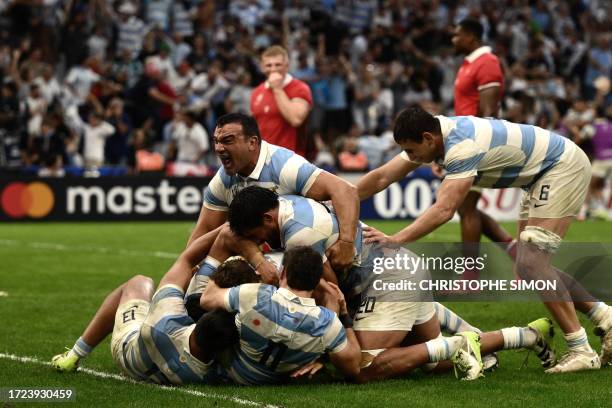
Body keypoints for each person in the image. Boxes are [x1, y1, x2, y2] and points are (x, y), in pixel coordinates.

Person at [362, 106, 612, 373]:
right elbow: (383, 176)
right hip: (543, 172)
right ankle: (605, 317)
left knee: (533, 265)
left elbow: (445, 210)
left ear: (428, 138)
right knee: (529, 266)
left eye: (411, 150)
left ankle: (581, 350)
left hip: (561, 166)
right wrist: (339, 197)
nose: (410, 157)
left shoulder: (462, 146)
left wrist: (396, 239)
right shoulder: (438, 133)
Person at [224, 187, 557, 382]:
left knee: (361, 366)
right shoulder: (291, 203)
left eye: (259, 236)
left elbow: (330, 295)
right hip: (398, 270)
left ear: (268, 219)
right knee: (426, 361)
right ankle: (523, 335)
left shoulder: (300, 234)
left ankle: (464, 342)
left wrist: (324, 353)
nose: (262, 243)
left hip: (388, 283)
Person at [50, 227, 256, 384]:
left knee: (140, 282)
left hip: (129, 351)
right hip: (176, 362)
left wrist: (226, 227)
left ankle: (74, 355)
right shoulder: (227, 364)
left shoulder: (166, 322)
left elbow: (186, 260)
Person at [186, 112, 359, 286]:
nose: (218, 148)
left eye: (227, 140)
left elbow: (345, 190)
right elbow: (205, 229)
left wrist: (346, 243)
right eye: (216, 141)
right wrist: (190, 267)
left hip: (315, 246)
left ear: (252, 143)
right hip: (288, 252)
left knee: (259, 280)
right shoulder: (222, 180)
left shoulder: (284, 165)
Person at [201, 246, 362, 384]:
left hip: (232, 372)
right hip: (278, 380)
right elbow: (353, 368)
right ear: (315, 282)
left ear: (283, 272)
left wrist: (230, 262)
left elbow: (206, 299)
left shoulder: (256, 295)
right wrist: (344, 314)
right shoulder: (328, 322)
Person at [451, 19, 516, 271]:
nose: (453, 40)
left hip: (477, 145)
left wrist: (476, 149)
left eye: (457, 35)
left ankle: (470, 274)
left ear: (471, 37)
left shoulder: (487, 62)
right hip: (465, 143)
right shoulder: (468, 64)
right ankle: (515, 250)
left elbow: (489, 114)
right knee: (466, 206)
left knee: (466, 207)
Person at [250, 45, 313, 158]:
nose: (273, 69)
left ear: (287, 66)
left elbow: (296, 119)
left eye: (278, 65)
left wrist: (277, 89)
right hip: (262, 160)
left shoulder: (300, 88)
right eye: (268, 65)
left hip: (292, 160)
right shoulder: (256, 92)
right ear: (262, 67)